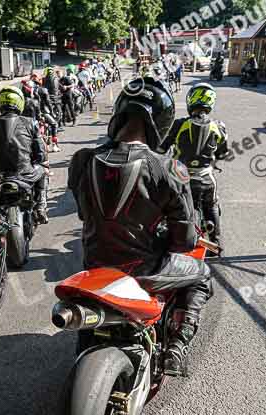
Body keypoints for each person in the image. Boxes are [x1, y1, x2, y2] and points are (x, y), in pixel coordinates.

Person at [68, 77, 212, 377]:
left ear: (119, 113)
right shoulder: (170, 168)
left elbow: (86, 214)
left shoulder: (82, 160)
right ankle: (178, 345)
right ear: (161, 123)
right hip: (144, 271)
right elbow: (184, 242)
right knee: (202, 274)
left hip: (94, 267)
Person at [160, 83, 230, 250]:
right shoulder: (219, 127)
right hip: (206, 177)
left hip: (180, 177)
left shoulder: (178, 124)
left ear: (191, 100)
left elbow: (161, 148)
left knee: (166, 205)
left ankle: (167, 238)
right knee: (212, 204)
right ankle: (215, 242)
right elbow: (223, 153)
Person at [0, 86, 50, 224]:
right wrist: (36, 160)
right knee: (43, 170)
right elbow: (41, 155)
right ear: (20, 102)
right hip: (25, 175)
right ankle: (40, 207)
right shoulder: (30, 122)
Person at [35, 83, 61, 152]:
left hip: (32, 113)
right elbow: (48, 102)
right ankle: (54, 145)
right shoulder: (43, 90)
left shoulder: (28, 89)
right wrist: (52, 112)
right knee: (54, 124)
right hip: (42, 112)